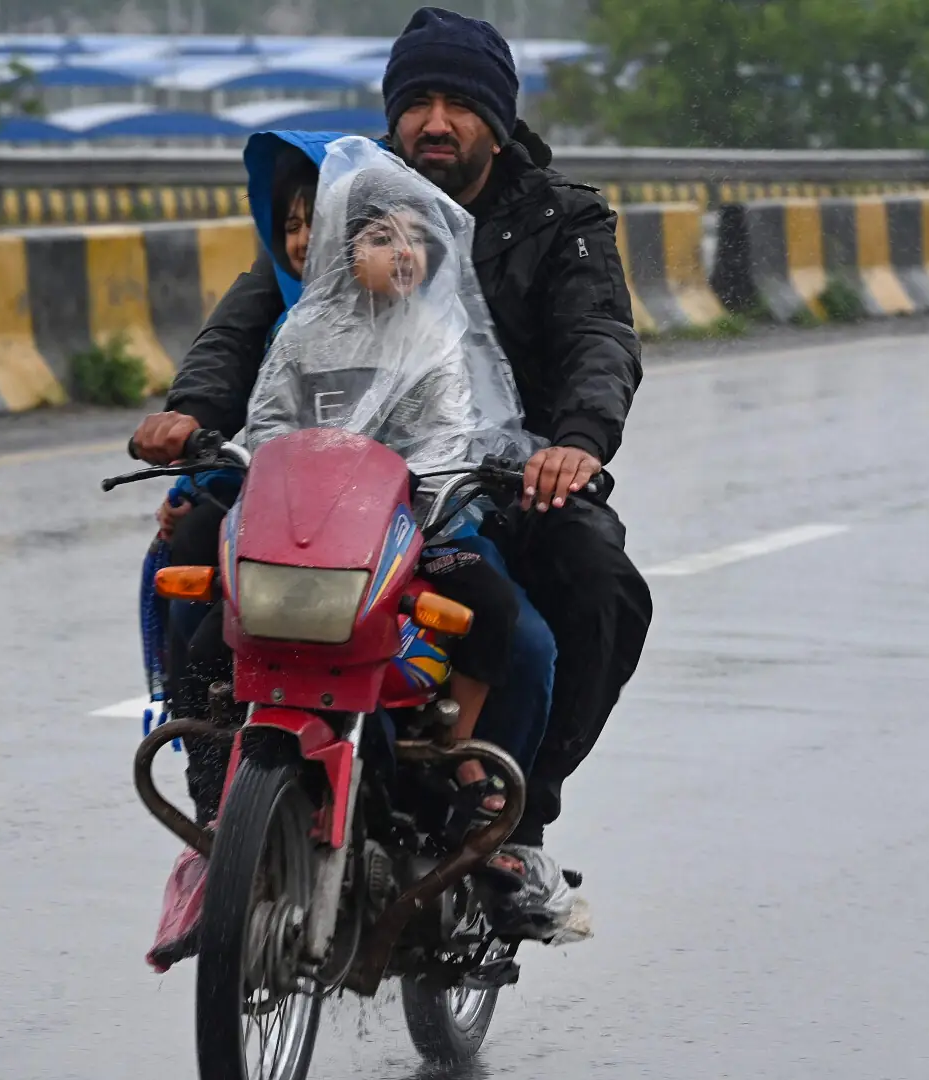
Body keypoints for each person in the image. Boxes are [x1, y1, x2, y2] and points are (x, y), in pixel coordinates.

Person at [132, 7, 653, 939]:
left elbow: (598, 341)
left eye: (459, 104)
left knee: (597, 587)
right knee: (185, 550)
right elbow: (250, 322)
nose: (436, 123)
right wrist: (195, 415)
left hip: (493, 481)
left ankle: (516, 823)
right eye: (418, 103)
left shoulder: (559, 218)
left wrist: (573, 441)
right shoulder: (344, 192)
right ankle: (218, 816)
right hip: (332, 481)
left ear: (497, 119)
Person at [145, 135, 557, 972]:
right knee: (199, 645)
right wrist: (216, 464)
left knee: (502, 617)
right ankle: (217, 824)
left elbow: (451, 433)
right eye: (376, 237)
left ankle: (463, 771)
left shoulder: (437, 339)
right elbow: (266, 431)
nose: (399, 253)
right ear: (340, 246)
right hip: (310, 541)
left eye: (414, 240)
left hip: (416, 535)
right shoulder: (302, 335)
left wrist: (465, 477)